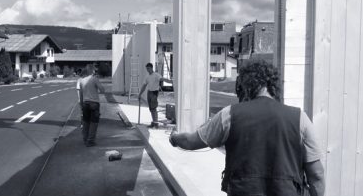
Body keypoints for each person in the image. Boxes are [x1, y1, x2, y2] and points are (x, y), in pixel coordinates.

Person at [169, 60, 325, 196]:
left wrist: (175, 138)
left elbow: (191, 141)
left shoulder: (229, 115)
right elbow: (316, 174)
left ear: (246, 85)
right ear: (274, 86)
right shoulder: (299, 118)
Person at [139, 63, 172, 129]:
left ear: (151, 68)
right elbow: (144, 86)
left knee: (154, 108)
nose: (147, 70)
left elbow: (162, 79)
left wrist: (171, 81)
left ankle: (156, 124)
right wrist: (140, 94)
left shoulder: (156, 75)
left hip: (154, 92)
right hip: (149, 92)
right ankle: (154, 122)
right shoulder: (147, 77)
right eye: (147, 69)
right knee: (151, 109)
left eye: (148, 68)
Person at [79, 65, 105, 147]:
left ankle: (85, 139)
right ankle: (90, 141)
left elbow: (81, 95)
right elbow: (102, 90)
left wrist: (81, 105)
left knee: (86, 122)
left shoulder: (81, 81)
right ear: (93, 71)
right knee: (94, 123)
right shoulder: (94, 79)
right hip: (94, 103)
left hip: (85, 103)